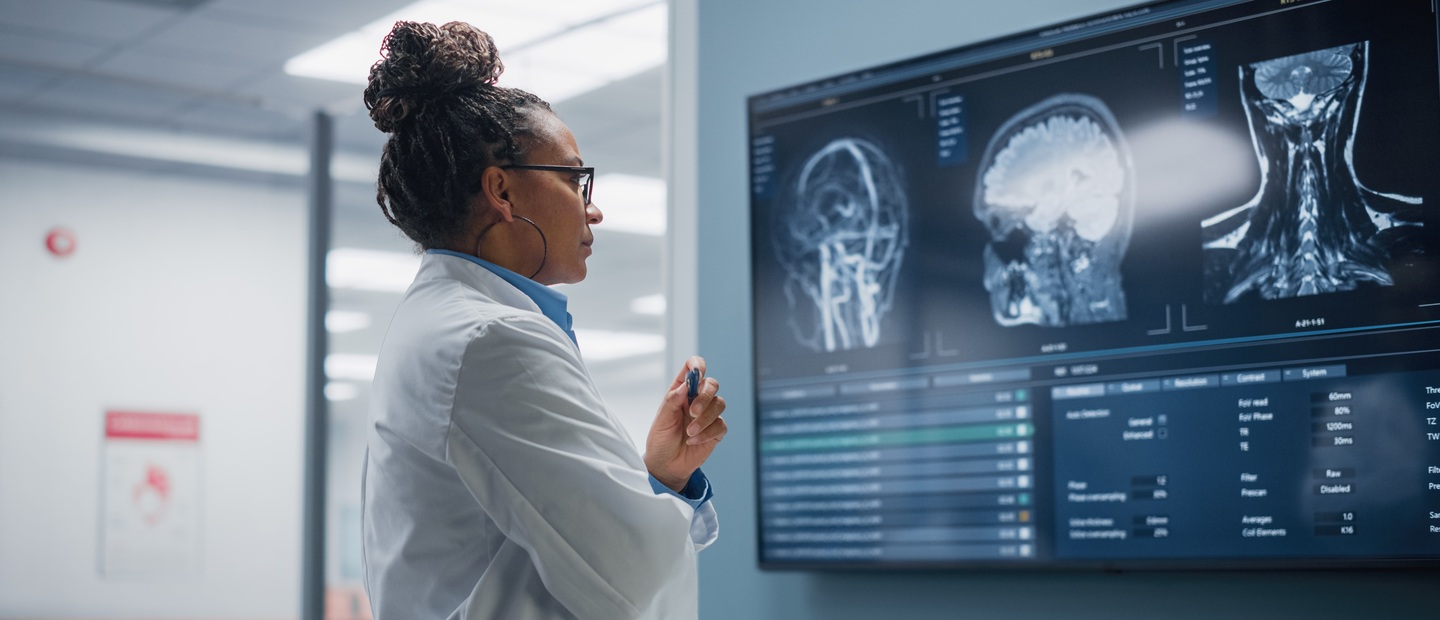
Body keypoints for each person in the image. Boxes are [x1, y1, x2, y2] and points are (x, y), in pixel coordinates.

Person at [359, 20, 727, 620]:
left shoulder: (445, 321)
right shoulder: (489, 339)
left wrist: (658, 477)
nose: (594, 209)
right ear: (502, 191)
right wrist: (654, 503)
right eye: (576, 180)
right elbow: (630, 577)